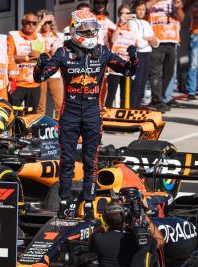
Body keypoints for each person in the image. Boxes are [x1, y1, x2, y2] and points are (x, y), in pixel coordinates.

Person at [33, 10, 138, 221]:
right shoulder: (63, 53)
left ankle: (89, 202)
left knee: (92, 161)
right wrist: (40, 61)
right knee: (67, 160)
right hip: (69, 114)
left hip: (92, 114)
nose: (90, 33)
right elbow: (40, 77)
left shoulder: (103, 51)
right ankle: (64, 202)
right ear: (74, 29)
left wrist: (134, 58)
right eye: (85, 29)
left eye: (92, 29)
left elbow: (127, 71)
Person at [90, 200, 165, 267]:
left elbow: (95, 234)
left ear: (105, 219)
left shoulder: (98, 239)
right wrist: (147, 219)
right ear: (124, 218)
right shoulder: (140, 240)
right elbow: (161, 240)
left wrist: (104, 227)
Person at [147, 0, 185, 113]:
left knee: (169, 73)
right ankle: (158, 102)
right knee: (156, 73)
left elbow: (181, 17)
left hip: (172, 41)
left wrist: (178, 8)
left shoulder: (174, 1)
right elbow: (146, 7)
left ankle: (159, 99)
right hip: (157, 41)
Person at [7, 12, 45, 113]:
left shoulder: (40, 38)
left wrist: (40, 56)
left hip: (34, 84)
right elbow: (8, 57)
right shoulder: (13, 36)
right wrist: (27, 58)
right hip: (17, 83)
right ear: (22, 22)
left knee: (31, 116)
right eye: (28, 22)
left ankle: (28, 130)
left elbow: (46, 59)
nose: (31, 25)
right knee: (13, 114)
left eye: (34, 23)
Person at [105, 4, 137, 108]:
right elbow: (113, 40)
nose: (125, 16)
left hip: (127, 64)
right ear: (119, 14)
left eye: (127, 13)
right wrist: (119, 26)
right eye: (123, 13)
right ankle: (106, 117)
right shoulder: (113, 27)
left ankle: (123, 115)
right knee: (111, 94)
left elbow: (136, 46)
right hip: (115, 63)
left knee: (125, 94)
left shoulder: (133, 29)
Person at [129, 1, 159, 108]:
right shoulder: (131, 23)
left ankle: (138, 105)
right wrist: (148, 40)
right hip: (138, 55)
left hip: (147, 55)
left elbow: (155, 41)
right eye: (139, 9)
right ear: (135, 10)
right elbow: (138, 42)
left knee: (143, 82)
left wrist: (154, 41)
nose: (141, 12)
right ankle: (133, 107)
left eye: (143, 10)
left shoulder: (146, 23)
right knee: (136, 83)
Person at [35, 10, 64, 118]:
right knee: (40, 106)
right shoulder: (37, 35)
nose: (46, 25)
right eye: (44, 23)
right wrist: (42, 21)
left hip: (55, 73)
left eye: (48, 22)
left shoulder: (59, 36)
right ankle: (38, 130)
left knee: (59, 105)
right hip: (41, 72)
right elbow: (34, 34)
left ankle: (60, 130)